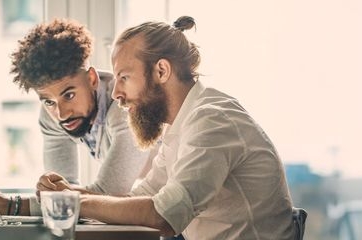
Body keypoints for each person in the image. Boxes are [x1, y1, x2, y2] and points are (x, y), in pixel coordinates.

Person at [37, 16, 295, 239]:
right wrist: (65, 194)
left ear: (161, 71)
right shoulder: (180, 126)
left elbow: (164, 216)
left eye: (124, 78)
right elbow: (136, 199)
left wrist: (75, 202)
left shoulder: (213, 120)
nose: (116, 93)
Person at [0, 18, 152, 216]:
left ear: (91, 79)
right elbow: (62, 195)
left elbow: (106, 197)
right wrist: (52, 192)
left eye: (69, 95)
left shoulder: (125, 106)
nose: (61, 114)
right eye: (48, 101)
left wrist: (12, 205)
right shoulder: (52, 116)